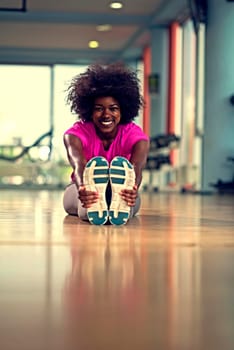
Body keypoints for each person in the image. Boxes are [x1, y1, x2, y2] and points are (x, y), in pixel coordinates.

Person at [63, 62, 149, 226]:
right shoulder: (75, 134)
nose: (106, 114)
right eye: (99, 108)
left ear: (123, 110)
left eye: (113, 108)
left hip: (122, 191)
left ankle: (118, 204)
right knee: (84, 206)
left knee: (130, 203)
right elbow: (78, 164)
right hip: (80, 187)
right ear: (89, 110)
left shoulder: (135, 136)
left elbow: (136, 167)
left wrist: (133, 188)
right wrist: (83, 187)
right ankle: (94, 202)